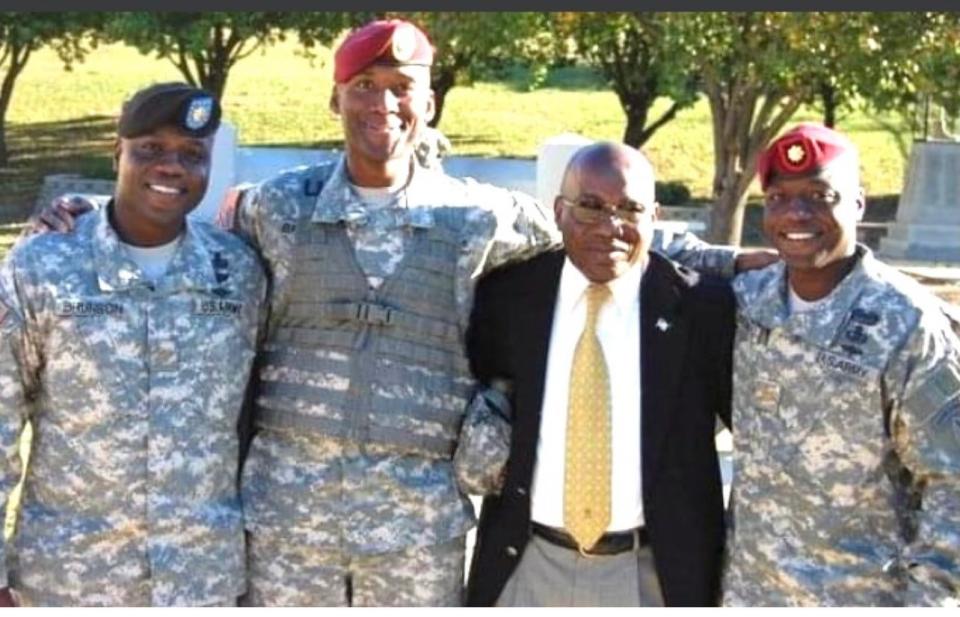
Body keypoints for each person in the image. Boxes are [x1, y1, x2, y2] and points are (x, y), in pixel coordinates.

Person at [33, 19, 763, 606]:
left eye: (401, 86)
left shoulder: (479, 216)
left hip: (416, 529)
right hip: (290, 525)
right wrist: (82, 215)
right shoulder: (277, 209)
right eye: (364, 85)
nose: (382, 101)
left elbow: (604, 225)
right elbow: (176, 225)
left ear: (430, 101)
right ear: (336, 100)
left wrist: (740, 261)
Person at [0, 83, 267, 606]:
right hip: (70, 578)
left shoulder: (238, 272)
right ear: (116, 151)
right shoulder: (44, 265)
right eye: (150, 149)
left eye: (192, 155)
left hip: (200, 578)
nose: (172, 167)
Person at [463, 142, 736, 606]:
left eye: (629, 209)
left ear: (654, 215)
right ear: (559, 210)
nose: (611, 226)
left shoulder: (702, 312)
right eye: (590, 207)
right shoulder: (508, 299)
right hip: (526, 564)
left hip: (648, 575)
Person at [723, 123, 960, 606]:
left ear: (857, 204)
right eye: (779, 197)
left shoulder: (907, 323)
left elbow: (951, 482)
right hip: (750, 595)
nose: (796, 213)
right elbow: (649, 251)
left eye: (819, 194)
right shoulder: (748, 299)